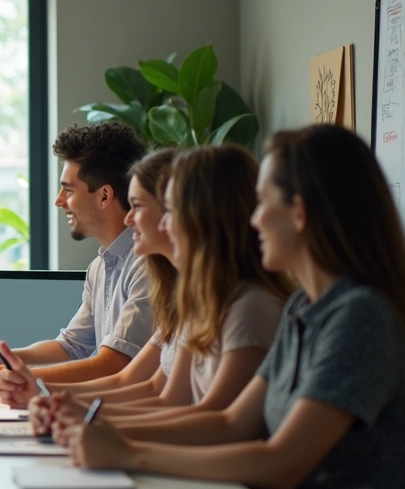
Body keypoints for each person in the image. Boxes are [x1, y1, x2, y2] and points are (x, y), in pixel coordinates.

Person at [58, 125, 405, 489]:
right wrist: (101, 429)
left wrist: (129, 452)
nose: (254, 218)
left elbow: (281, 463)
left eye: (262, 202)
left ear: (300, 213)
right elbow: (233, 424)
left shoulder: (361, 316)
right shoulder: (305, 308)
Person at [20, 145, 291, 423]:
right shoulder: (195, 299)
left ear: (199, 214)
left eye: (140, 206)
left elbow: (218, 422)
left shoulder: (248, 306)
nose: (129, 218)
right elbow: (160, 393)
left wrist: (93, 425)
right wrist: (59, 404)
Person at [0, 121, 150, 387]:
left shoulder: (147, 265)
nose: (59, 200)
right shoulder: (99, 267)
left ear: (104, 196)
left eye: (68, 190)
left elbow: (113, 364)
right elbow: (70, 346)